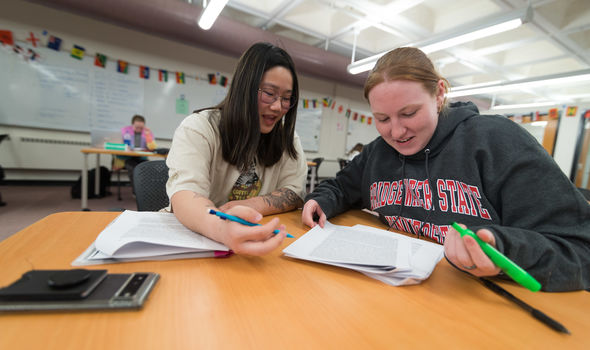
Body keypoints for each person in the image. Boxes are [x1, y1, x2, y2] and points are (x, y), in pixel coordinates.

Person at [302, 47, 590, 292]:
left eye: (409, 113)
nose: (397, 131)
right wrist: (321, 200)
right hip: (403, 296)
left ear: (439, 94)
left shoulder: (497, 141)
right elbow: (340, 186)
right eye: (382, 118)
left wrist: (504, 249)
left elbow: (580, 249)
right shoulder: (379, 151)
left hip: (485, 306)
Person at [165, 42, 307, 256]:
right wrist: (221, 229)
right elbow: (185, 195)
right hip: (196, 241)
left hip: (254, 245)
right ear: (244, 89)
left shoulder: (288, 138)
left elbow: (293, 192)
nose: (278, 107)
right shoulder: (199, 128)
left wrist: (252, 205)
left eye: (286, 99)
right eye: (269, 93)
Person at [118, 115, 157, 192]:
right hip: (127, 157)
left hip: (141, 157)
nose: (139, 129)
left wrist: (148, 135)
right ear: (132, 125)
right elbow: (118, 144)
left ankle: (147, 191)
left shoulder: (147, 132)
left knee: (148, 168)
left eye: (141, 128)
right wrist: (125, 147)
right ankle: (136, 192)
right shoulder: (124, 131)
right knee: (133, 169)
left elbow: (152, 147)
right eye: (136, 127)